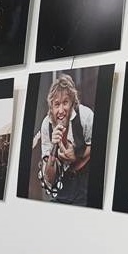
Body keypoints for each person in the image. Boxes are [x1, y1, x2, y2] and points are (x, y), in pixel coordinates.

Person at [39, 74, 94, 205]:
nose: (61, 110)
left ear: (72, 103)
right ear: (51, 107)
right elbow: (49, 178)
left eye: (65, 103)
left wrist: (76, 156)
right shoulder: (46, 125)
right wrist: (53, 149)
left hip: (86, 182)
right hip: (63, 187)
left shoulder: (86, 116)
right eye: (57, 104)